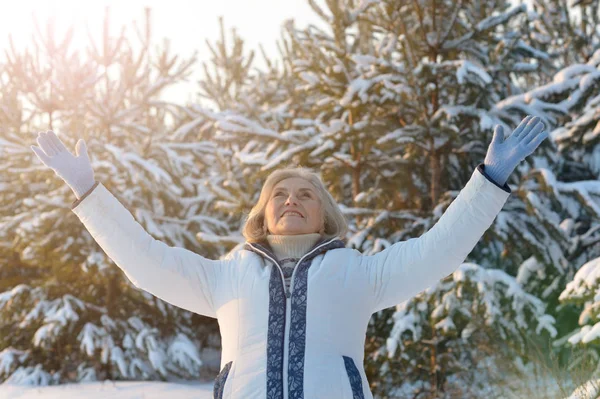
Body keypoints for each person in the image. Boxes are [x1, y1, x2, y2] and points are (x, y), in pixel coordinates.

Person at [31, 116, 548, 399]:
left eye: (306, 194)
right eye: (280, 194)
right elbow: (145, 260)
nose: (292, 200)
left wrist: (488, 184)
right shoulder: (227, 276)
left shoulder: (359, 273)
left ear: (324, 215)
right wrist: (89, 193)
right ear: (264, 213)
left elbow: (439, 249)